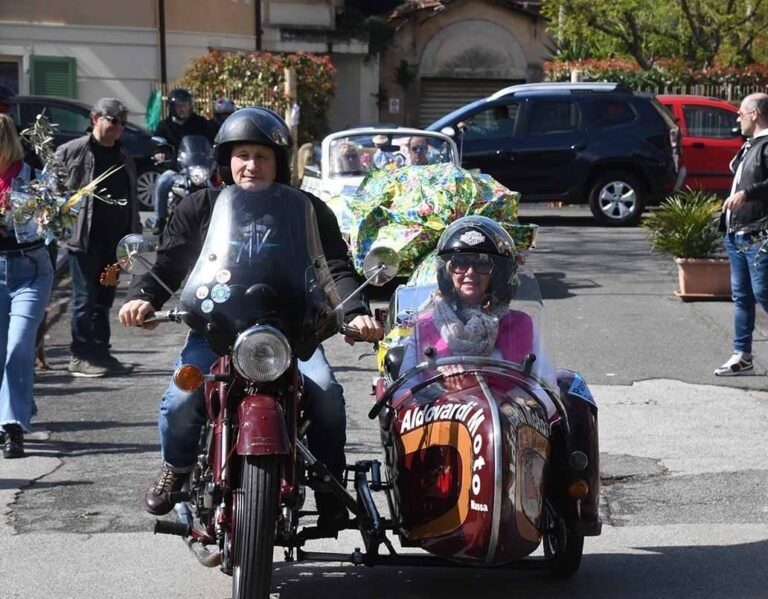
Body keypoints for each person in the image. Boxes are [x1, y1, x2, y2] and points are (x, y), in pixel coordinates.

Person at [118, 107, 382, 531]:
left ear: (278, 161)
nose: (251, 165)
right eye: (242, 154)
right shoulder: (200, 205)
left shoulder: (309, 209)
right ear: (227, 159)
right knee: (183, 396)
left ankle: (328, 483)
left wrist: (355, 312)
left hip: (290, 331)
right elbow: (167, 262)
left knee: (328, 393)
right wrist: (143, 297)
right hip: (216, 329)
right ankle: (177, 467)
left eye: (262, 155)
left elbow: (334, 265)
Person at [56, 98, 141, 378]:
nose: (118, 127)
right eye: (113, 120)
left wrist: (134, 238)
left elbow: (132, 201)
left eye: (122, 123)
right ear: (95, 119)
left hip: (114, 245)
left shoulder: (123, 156)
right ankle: (79, 356)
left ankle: (101, 353)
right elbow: (52, 189)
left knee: (104, 299)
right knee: (85, 299)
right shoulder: (72, 151)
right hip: (84, 241)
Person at [400, 216, 532, 380]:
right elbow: (405, 389)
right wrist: (442, 384)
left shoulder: (519, 324)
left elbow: (543, 387)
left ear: (497, 274)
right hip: (437, 405)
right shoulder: (425, 326)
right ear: (447, 272)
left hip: (502, 405)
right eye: (460, 263)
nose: (470, 272)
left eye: (482, 264)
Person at [0, 113, 55, 458]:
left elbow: (54, 223)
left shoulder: (33, 178)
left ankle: (13, 428)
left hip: (30, 270)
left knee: (19, 346)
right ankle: (10, 415)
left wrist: (47, 218)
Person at [716, 92, 768, 376]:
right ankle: (742, 356)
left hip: (759, 234)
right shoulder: (750, 145)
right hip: (736, 233)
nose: (737, 118)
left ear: (755, 114)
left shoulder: (766, 145)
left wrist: (746, 193)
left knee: (763, 292)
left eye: (740, 113)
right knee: (742, 297)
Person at [151, 88, 212, 235]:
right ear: (172, 107)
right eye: (179, 105)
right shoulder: (164, 126)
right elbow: (158, 143)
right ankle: (160, 219)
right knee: (163, 182)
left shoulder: (200, 122)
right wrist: (160, 152)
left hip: (200, 167)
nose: (183, 108)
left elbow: (213, 138)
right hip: (176, 168)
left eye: (186, 105)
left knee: (217, 186)